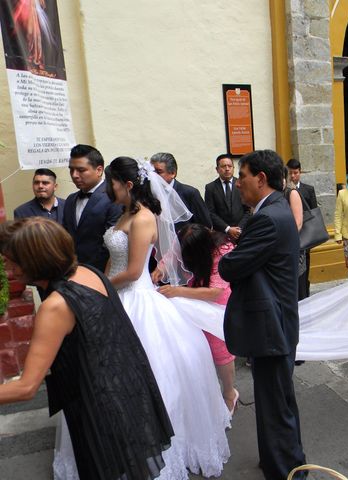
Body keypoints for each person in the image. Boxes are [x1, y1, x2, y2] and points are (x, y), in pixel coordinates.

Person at [0, 218, 174, 480]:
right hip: (127, 390)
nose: (8, 267)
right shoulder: (88, 272)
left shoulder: (56, 306)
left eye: (13, 261)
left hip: (98, 406)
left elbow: (26, 387)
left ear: (34, 260)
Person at [92, 156, 230, 478]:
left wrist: (96, 286)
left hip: (136, 298)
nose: (107, 188)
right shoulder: (124, 213)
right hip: (117, 297)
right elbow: (114, 262)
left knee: (157, 373)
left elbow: (132, 271)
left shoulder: (141, 218)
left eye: (111, 181)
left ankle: (163, 446)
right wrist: (99, 284)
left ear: (127, 185)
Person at [218, 149, 306, 480]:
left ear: (261, 179)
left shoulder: (267, 218)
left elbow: (230, 267)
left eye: (242, 176)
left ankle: (289, 471)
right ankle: (277, 462)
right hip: (275, 324)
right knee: (275, 402)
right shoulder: (272, 211)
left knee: (276, 406)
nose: (238, 183)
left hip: (272, 326)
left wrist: (230, 254)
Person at [158, 223, 239, 414]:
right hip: (194, 295)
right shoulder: (192, 242)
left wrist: (177, 291)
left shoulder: (224, 250)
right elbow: (173, 254)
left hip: (218, 304)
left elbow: (215, 292)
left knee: (219, 349)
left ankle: (229, 392)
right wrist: (161, 268)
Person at [62, 144, 122, 272]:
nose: (74, 175)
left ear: (99, 170)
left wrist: (88, 272)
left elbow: (111, 243)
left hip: (102, 272)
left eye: (81, 170)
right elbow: (66, 236)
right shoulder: (70, 200)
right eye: (71, 170)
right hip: (72, 271)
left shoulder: (114, 197)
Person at [150, 152, 212, 230]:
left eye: (159, 172)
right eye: (152, 172)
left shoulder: (190, 193)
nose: (154, 176)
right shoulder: (148, 193)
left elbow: (205, 225)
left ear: (173, 173)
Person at [286, 158, 318, 301]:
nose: (293, 176)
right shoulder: (285, 191)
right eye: (290, 173)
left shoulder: (308, 189)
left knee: (306, 263)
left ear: (300, 172)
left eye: (296, 173)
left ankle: (306, 291)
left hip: (306, 231)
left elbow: (313, 210)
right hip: (291, 230)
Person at [204, 153, 250, 241]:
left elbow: (248, 210)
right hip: (221, 234)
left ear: (233, 168)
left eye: (230, 166)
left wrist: (238, 229)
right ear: (217, 169)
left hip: (241, 233)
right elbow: (210, 212)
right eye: (223, 166)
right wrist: (228, 229)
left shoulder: (242, 184)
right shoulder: (210, 188)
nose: (227, 169)